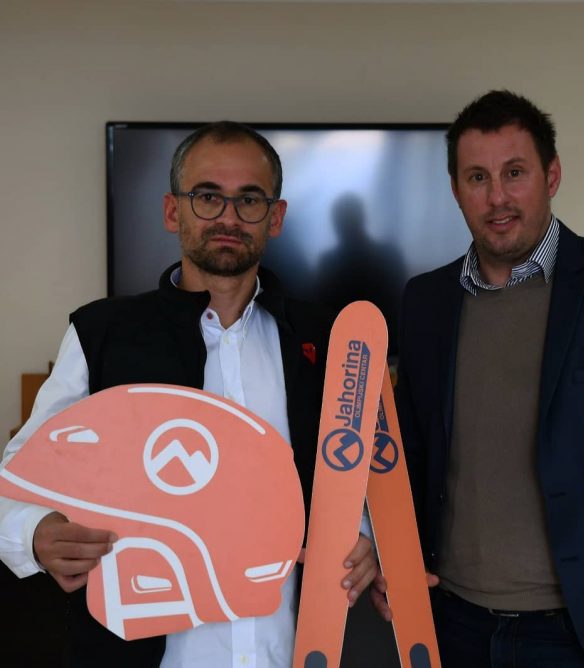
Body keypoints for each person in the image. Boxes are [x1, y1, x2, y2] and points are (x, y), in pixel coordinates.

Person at [0, 122, 377, 667]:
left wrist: (363, 535)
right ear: (173, 211)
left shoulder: (325, 339)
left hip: (291, 651)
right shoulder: (101, 334)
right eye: (207, 196)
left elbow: (358, 477)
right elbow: (16, 479)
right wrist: (35, 532)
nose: (228, 217)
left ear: (275, 218)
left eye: (249, 199)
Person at [394, 91, 584, 667]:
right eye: (477, 177)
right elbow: (410, 455)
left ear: (551, 175)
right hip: (451, 627)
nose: (497, 197)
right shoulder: (425, 300)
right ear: (455, 189)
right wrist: (394, 562)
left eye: (515, 173)